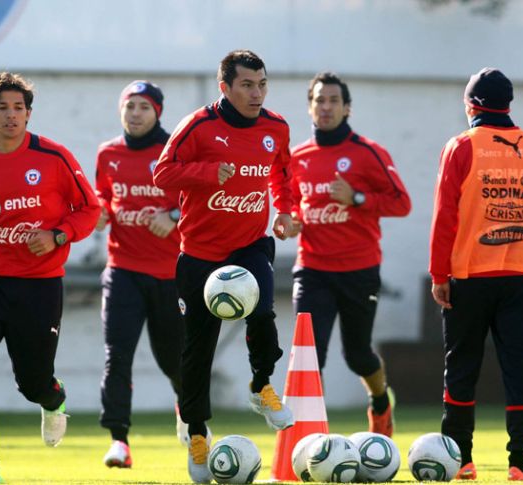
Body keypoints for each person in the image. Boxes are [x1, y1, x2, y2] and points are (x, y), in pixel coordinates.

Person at [0, 71, 101, 484]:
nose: (10, 115)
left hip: (40, 285)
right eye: (1, 107)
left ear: (28, 114)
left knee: (31, 383)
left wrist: (58, 234)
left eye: (18, 108)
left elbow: (89, 209)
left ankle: (53, 398)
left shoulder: (53, 157)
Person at [153, 49, 296, 483]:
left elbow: (283, 175)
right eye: (247, 85)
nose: (256, 93)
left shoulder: (276, 127)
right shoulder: (198, 125)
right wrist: (207, 172)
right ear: (225, 88)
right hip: (199, 255)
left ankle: (260, 385)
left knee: (264, 312)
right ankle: (198, 433)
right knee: (197, 350)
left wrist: (286, 211)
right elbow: (162, 174)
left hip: (251, 245)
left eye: (262, 84)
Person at [429, 67, 523, 482]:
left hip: (469, 276)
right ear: (508, 105)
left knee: (462, 368)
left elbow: (444, 216)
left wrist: (439, 274)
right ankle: (520, 464)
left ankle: (461, 458)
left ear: (470, 105)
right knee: (520, 370)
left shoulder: (461, 146)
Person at [288, 72, 411, 437]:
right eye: (318, 100)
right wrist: (289, 223)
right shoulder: (296, 157)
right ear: (310, 107)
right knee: (309, 355)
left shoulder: (368, 152)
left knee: (357, 355)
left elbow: (402, 203)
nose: (325, 107)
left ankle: (380, 402)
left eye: (333, 101)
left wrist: (357, 197)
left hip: (359, 269)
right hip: (311, 269)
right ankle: (306, 439)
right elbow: (291, 207)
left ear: (347, 108)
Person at [94, 80, 205, 468]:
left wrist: (171, 215)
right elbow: (104, 197)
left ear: (157, 111)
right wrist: (101, 211)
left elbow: (202, 203)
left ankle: (184, 405)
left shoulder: (173, 151)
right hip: (122, 269)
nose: (136, 113)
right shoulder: (108, 153)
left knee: (174, 361)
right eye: (130, 106)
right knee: (116, 355)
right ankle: (119, 441)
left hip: (171, 273)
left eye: (144, 107)